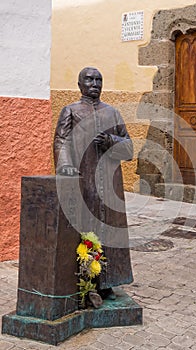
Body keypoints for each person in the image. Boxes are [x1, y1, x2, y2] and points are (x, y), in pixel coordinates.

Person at [54, 67, 133, 303]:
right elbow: (61, 140)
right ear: (79, 84)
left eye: (99, 79)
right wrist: (65, 166)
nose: (95, 83)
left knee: (108, 231)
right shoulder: (71, 111)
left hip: (110, 185)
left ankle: (107, 283)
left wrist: (111, 140)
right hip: (83, 179)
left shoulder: (113, 113)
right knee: (83, 230)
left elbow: (128, 148)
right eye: (89, 79)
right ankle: (84, 285)